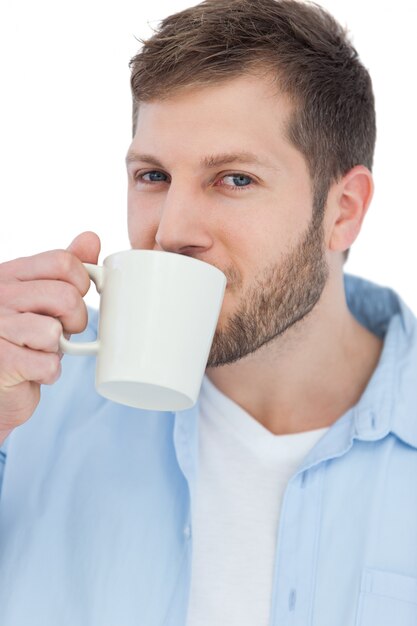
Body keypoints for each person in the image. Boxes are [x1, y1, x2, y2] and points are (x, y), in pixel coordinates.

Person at [0, 0, 416, 624]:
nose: (171, 232)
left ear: (344, 209)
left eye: (235, 179)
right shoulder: (26, 406)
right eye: (154, 176)